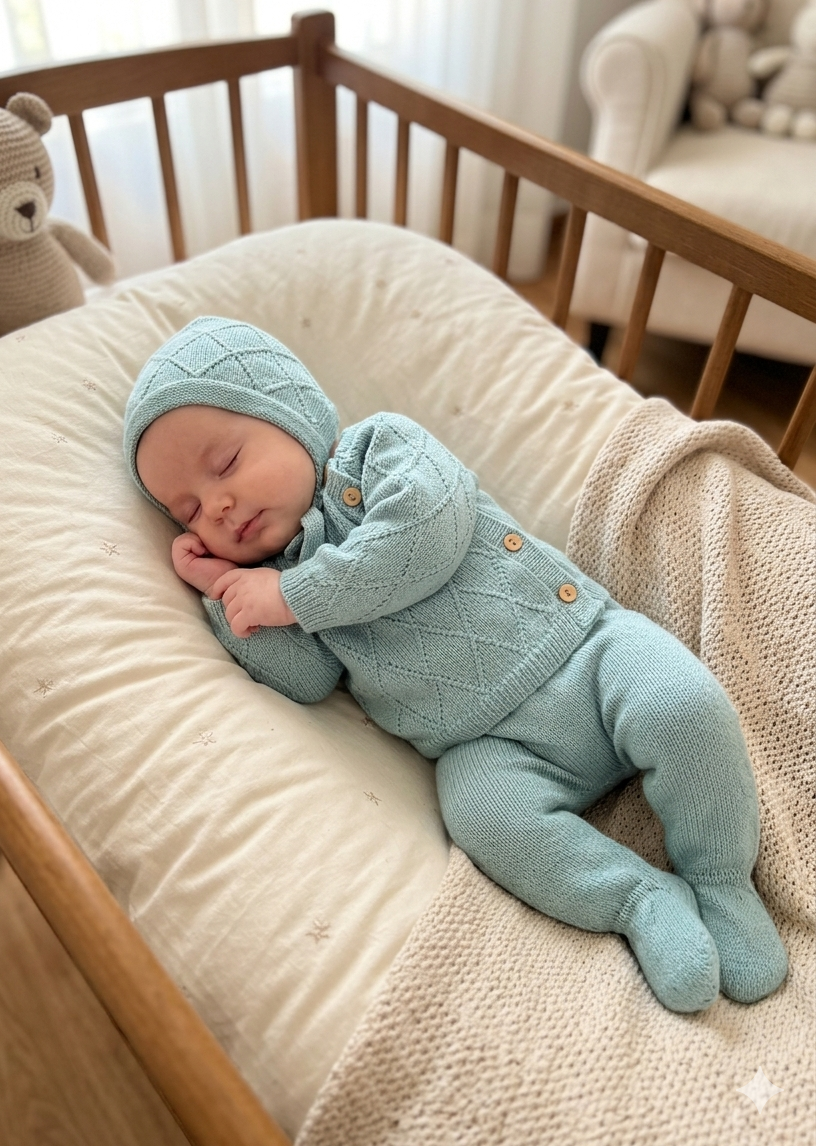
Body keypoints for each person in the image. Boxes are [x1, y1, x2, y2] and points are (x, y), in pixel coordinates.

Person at [123, 315, 788, 1014]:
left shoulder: (379, 450)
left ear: (292, 413)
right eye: (188, 510)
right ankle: (641, 898)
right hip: (489, 745)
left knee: (682, 704)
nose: (218, 506)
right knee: (482, 816)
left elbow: (425, 540)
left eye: (225, 464)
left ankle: (718, 879)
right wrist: (229, 600)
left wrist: (289, 595)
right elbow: (305, 679)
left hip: (584, 650)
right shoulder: (274, 582)